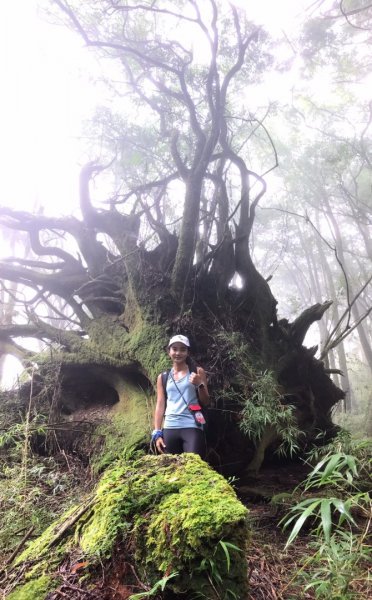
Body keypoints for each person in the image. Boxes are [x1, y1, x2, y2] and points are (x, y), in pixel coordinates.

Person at [151, 334, 210, 459]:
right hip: (170, 426)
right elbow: (160, 404)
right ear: (169, 351)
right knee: (172, 469)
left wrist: (200, 384)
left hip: (191, 425)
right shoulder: (163, 377)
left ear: (188, 352)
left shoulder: (197, 372)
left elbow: (205, 401)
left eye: (183, 349)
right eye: (175, 349)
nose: (178, 353)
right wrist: (157, 432)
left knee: (194, 464)